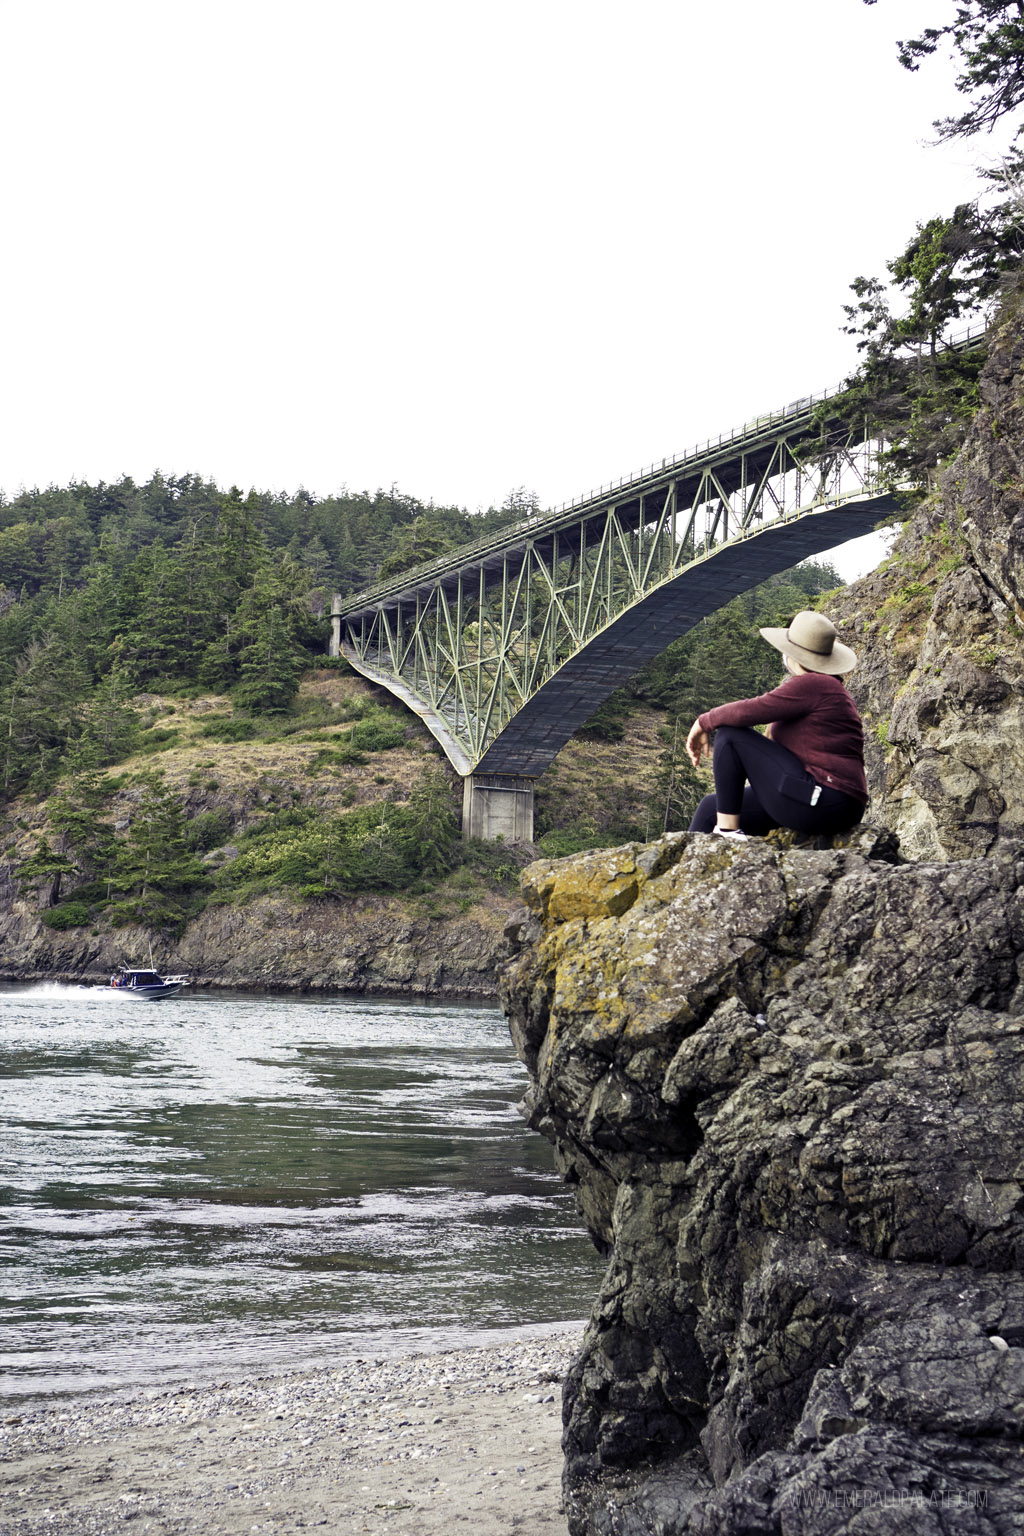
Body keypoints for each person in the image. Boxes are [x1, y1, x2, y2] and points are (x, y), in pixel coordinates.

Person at [685, 609, 868, 841]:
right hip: (826, 802)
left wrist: (703, 722)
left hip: (822, 801)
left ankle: (729, 833)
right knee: (711, 807)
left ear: (791, 655)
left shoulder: (815, 684)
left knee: (730, 735)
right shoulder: (827, 689)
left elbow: (748, 711)